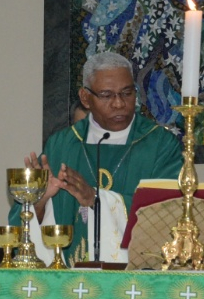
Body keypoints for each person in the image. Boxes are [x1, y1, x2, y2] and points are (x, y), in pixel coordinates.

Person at [11, 52, 183, 263]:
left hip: (135, 282)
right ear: (86, 98)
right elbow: (19, 228)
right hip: (69, 282)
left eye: (127, 93)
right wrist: (40, 201)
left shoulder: (160, 145)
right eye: (106, 95)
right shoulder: (62, 145)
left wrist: (96, 199)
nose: (119, 103)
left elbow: (169, 211)